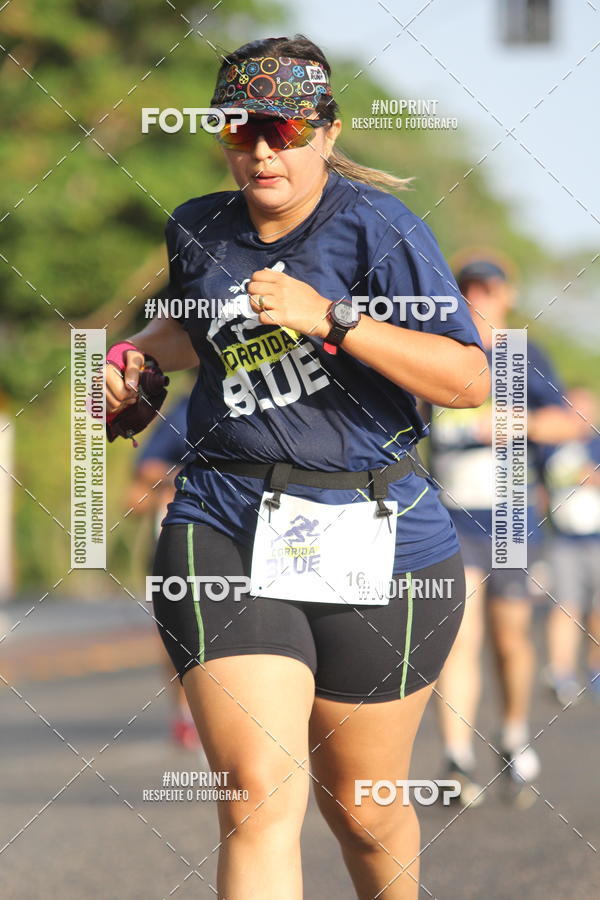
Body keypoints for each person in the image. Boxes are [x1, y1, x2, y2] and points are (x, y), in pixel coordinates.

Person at [105, 34, 490, 899]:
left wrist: (334, 319)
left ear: (325, 130)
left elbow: (468, 377)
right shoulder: (199, 226)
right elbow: (193, 326)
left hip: (380, 539)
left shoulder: (379, 229)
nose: (263, 150)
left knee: (363, 807)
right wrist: (132, 358)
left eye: (283, 129)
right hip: (225, 523)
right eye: (242, 130)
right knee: (253, 797)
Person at [426, 257, 587, 807]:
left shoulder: (520, 356)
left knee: (509, 639)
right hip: (451, 516)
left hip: (512, 515)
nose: (479, 298)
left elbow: (571, 422)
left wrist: (520, 423)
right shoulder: (440, 348)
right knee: (457, 637)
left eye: (489, 289)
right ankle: (456, 757)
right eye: (469, 289)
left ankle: (514, 733)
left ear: (507, 294)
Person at [127, 395, 205, 750]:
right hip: (179, 531)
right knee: (176, 628)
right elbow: (147, 467)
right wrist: (190, 478)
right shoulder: (188, 408)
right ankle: (185, 714)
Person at [539, 386, 600, 705]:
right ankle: (560, 673)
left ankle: (595, 669)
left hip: (597, 537)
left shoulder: (596, 444)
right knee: (566, 605)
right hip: (563, 539)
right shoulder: (550, 446)